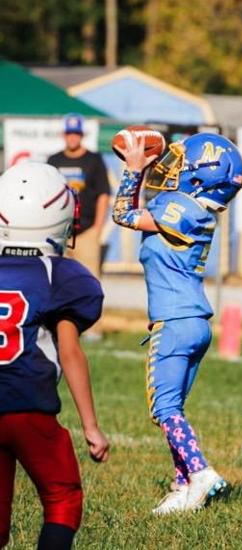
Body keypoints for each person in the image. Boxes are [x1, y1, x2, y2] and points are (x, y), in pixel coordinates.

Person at [112, 131, 242, 515]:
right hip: (194, 322)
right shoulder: (195, 211)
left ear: (201, 176)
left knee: (163, 409)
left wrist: (133, 171)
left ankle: (201, 473)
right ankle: (182, 486)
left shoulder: (182, 207)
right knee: (174, 411)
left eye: (182, 165)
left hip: (173, 322)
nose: (173, 169)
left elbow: (123, 213)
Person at [0, 162, 110, 549]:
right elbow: (70, 351)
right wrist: (90, 426)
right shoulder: (58, 275)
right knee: (63, 500)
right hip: (29, 412)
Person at [47, 113, 111, 340]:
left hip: (86, 231)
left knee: (90, 281)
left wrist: (98, 227)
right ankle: (56, 326)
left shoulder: (93, 160)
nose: (73, 137)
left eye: (76, 133)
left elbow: (103, 194)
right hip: (60, 232)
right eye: (69, 133)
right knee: (57, 281)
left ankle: (93, 329)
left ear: (81, 135)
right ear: (63, 134)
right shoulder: (54, 160)